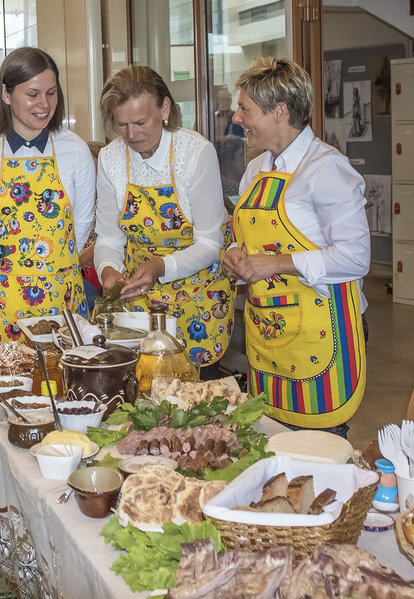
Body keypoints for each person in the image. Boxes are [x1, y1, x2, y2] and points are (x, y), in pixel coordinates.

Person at [222, 57, 369, 434]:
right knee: (269, 445)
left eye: (245, 109)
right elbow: (248, 237)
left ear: (280, 112)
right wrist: (234, 253)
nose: (237, 118)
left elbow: (355, 257)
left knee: (316, 451)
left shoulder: (327, 168)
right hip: (268, 334)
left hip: (320, 335)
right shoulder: (256, 169)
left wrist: (276, 264)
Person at [0, 47, 94, 343]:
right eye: (33, 94)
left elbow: (81, 226)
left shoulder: (76, 150)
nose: (44, 104)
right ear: (6, 94)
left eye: (51, 93)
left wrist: (52, 268)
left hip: (60, 302)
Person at [94, 66, 234, 368]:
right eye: (122, 125)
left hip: (198, 298)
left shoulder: (196, 153)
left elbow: (210, 243)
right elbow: (108, 238)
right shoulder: (110, 158)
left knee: (195, 392)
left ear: (165, 108)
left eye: (140, 122)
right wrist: (108, 270)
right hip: (140, 300)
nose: (131, 135)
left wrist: (160, 266)